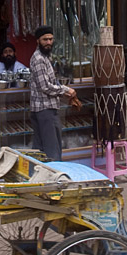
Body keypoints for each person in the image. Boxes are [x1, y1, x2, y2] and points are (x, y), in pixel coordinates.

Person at [29, 25, 77, 160]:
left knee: (40, 149)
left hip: (45, 108)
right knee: (52, 148)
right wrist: (66, 89)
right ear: (38, 41)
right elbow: (45, 87)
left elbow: (50, 82)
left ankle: (38, 170)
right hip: (45, 110)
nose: (48, 42)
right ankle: (54, 172)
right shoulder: (39, 59)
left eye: (50, 39)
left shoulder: (45, 57)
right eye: (45, 39)